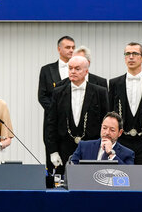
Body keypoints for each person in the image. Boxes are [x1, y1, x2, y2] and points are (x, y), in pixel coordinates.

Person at [46, 55, 108, 174]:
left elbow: (105, 122)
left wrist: (104, 147)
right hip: (64, 148)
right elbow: (51, 124)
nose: (73, 71)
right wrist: (53, 151)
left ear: (86, 71)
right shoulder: (58, 92)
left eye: (77, 69)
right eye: (70, 68)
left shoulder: (100, 92)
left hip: (92, 148)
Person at [109, 42, 142, 164]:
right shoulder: (114, 83)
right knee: (120, 180)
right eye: (127, 54)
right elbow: (110, 112)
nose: (131, 57)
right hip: (121, 143)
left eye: (135, 53)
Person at [38, 36, 75, 172]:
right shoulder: (47, 70)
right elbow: (42, 96)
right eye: (67, 47)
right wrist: (57, 111)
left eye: (73, 47)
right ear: (59, 49)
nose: (71, 50)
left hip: (74, 123)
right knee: (53, 161)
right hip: (52, 122)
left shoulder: (78, 70)